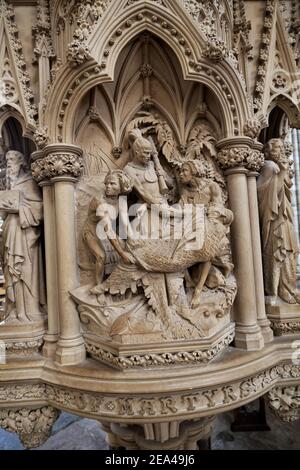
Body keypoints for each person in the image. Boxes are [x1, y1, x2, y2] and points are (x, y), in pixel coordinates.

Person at [0, 150, 45, 322]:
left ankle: (29, 312)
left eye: (12, 159)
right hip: (10, 232)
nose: (9, 163)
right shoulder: (8, 184)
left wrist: (20, 209)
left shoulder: (29, 182)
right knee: (12, 272)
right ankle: (15, 311)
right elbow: (4, 214)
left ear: (20, 161)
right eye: (6, 160)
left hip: (25, 235)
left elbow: (41, 210)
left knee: (24, 272)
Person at [257, 138, 300, 304]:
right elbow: (262, 192)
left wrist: (284, 172)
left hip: (285, 216)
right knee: (277, 252)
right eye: (277, 149)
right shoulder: (270, 166)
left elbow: (286, 191)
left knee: (288, 252)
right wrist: (281, 172)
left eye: (282, 148)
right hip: (274, 218)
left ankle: (290, 287)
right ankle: (275, 291)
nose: (281, 152)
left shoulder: (277, 166)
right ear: (267, 152)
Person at [83, 170, 133, 286]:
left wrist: (133, 242)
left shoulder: (121, 200)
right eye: (106, 183)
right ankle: (98, 286)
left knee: (125, 247)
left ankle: (114, 284)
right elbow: (108, 229)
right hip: (92, 231)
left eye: (112, 183)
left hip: (105, 232)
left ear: (121, 186)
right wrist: (122, 254)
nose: (108, 187)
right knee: (101, 256)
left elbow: (126, 224)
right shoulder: (99, 201)